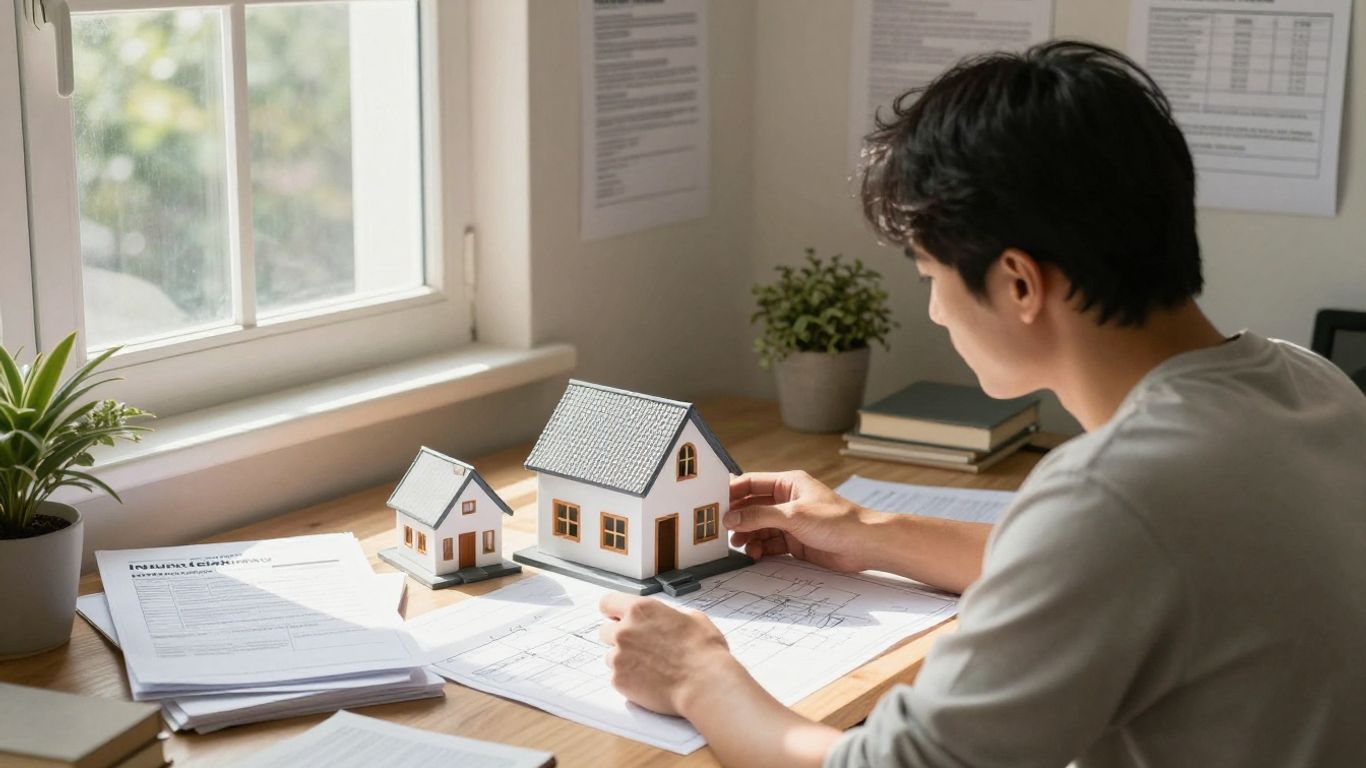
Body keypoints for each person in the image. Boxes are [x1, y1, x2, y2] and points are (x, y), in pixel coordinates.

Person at [596, 40, 1366, 768]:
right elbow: (1115, 568)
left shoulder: (1116, 496)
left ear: (1019, 284)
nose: (933, 309)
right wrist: (867, 531)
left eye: (930, 273)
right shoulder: (1309, 386)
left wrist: (698, 676)